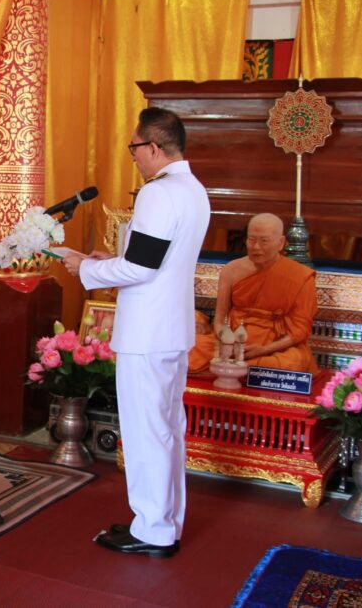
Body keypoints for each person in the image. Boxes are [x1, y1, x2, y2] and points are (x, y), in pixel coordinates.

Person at [63, 107, 210, 558]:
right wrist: (111, 259)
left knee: (148, 433)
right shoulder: (194, 189)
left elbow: (142, 268)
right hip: (171, 329)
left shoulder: (158, 193)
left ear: (154, 146)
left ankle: (152, 529)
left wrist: (85, 267)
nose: (133, 156)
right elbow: (154, 259)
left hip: (147, 333)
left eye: (135, 147)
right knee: (166, 430)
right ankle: (164, 522)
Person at [188, 213, 318, 374]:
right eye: (251, 239)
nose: (256, 247)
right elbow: (220, 320)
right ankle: (240, 368)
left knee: (294, 361)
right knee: (190, 349)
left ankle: (236, 368)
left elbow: (300, 331)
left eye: (264, 241)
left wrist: (264, 350)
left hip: (274, 347)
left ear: (281, 243)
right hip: (233, 341)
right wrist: (227, 340)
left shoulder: (300, 276)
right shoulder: (231, 270)